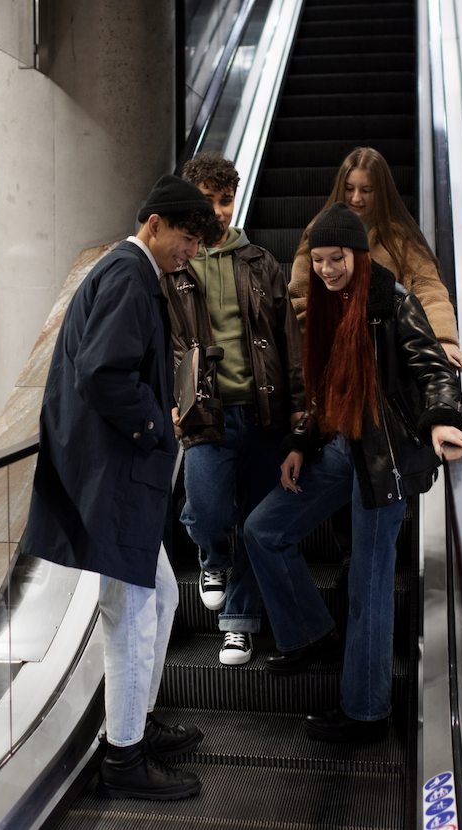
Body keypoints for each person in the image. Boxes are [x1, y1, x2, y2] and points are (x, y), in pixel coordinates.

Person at [24, 175, 223, 800]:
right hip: (112, 475)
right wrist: (154, 422)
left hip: (113, 470)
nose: (191, 252)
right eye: (187, 238)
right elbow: (102, 373)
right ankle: (124, 758)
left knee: (160, 597)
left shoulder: (132, 272)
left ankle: (137, 721)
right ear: (155, 224)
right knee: (134, 613)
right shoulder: (130, 275)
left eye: (198, 243)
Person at [244, 202, 462, 742]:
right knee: (263, 529)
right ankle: (310, 633)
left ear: (359, 255)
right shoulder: (330, 307)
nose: (326, 269)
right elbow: (327, 390)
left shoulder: (394, 303)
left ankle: (367, 711)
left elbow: (433, 370)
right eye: (319, 260)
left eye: (336, 258)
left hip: (384, 459)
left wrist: (442, 420)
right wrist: (302, 441)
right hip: (343, 447)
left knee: (369, 585)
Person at [160, 151, 305, 666]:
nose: (219, 211)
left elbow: (288, 342)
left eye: (227, 200)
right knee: (208, 510)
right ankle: (212, 554)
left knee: (256, 521)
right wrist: (168, 400)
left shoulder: (260, 262)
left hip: (263, 414)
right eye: (209, 199)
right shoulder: (173, 263)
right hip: (204, 414)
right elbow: (158, 344)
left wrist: (297, 410)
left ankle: (239, 625)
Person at [290, 146, 462, 370]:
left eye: (366, 190)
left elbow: (429, 289)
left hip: (388, 360)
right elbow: (299, 298)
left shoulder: (399, 239)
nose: (356, 198)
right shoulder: (319, 233)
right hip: (333, 360)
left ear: (381, 191)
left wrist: (442, 338)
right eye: (349, 188)